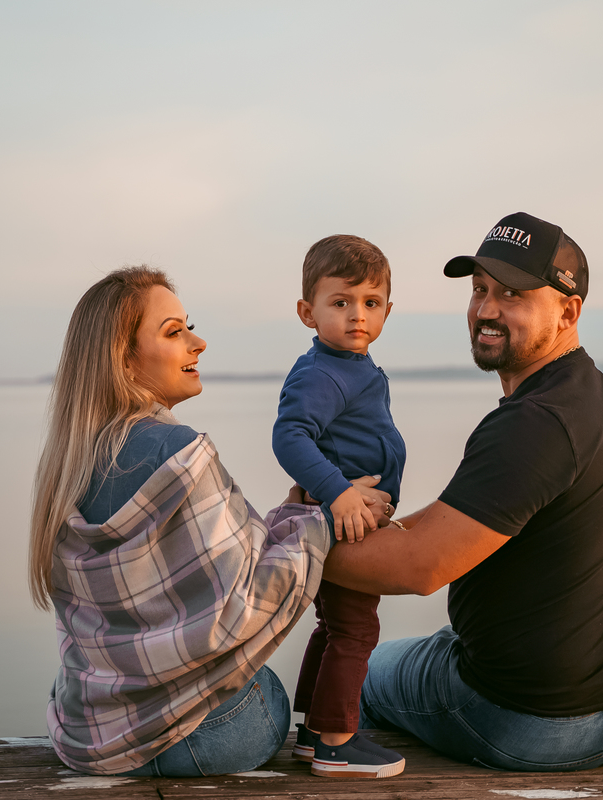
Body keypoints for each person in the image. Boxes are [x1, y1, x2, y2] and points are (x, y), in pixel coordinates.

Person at [322, 212, 603, 771]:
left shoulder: (533, 423)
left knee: (354, 677)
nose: (487, 310)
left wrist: (282, 546)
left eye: (513, 294)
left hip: (532, 723)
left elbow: (419, 568)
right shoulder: (591, 395)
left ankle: (336, 766)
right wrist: (367, 525)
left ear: (568, 310)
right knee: (437, 643)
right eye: (480, 290)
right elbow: (452, 520)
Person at [27, 266, 390, 777]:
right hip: (195, 740)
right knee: (266, 693)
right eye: (174, 332)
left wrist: (300, 511)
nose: (198, 343)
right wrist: (328, 520)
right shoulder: (180, 452)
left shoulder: (68, 462)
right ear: (124, 362)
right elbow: (243, 606)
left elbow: (201, 579)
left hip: (85, 731)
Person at [272, 235, 407, 778]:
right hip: (341, 523)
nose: (357, 316)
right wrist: (339, 491)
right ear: (309, 312)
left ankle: (311, 731)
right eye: (340, 302)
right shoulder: (322, 372)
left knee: (334, 628)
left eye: (370, 303)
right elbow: (290, 437)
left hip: (348, 521)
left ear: (387, 312)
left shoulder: (355, 368)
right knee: (356, 631)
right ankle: (337, 742)